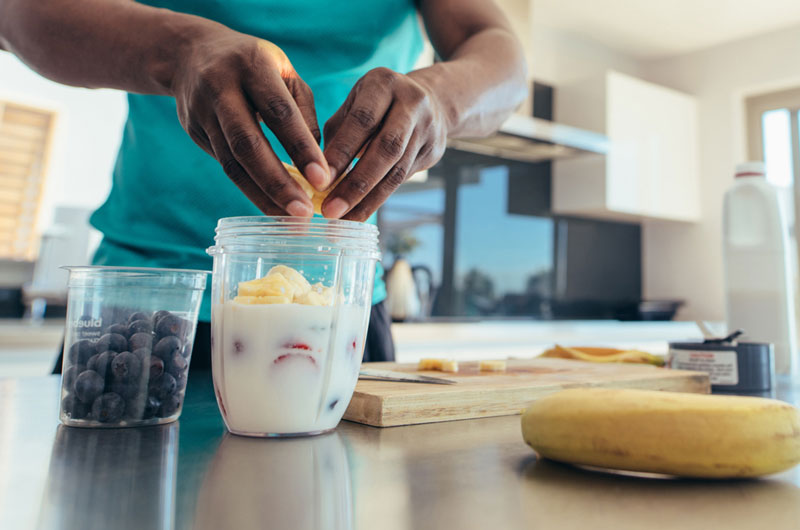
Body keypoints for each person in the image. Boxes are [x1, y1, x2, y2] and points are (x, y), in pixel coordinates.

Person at [0, 0, 527, 370]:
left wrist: (442, 97)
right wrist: (181, 49)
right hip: (147, 298)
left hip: (338, 305)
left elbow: (504, 59)